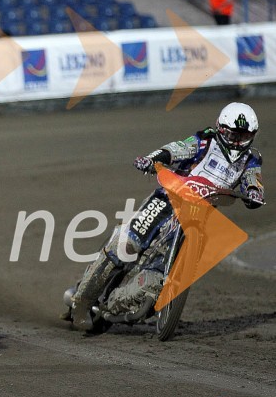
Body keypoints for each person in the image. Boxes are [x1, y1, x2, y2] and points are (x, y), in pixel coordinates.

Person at [70, 102, 264, 329]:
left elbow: (254, 180)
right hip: (167, 200)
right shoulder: (205, 141)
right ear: (221, 129)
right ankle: (82, 301)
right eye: (233, 134)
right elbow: (177, 149)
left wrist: (253, 193)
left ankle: (118, 305)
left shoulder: (251, 160)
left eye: (243, 136)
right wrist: (153, 159)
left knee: (154, 279)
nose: (237, 141)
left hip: (200, 215)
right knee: (128, 244)